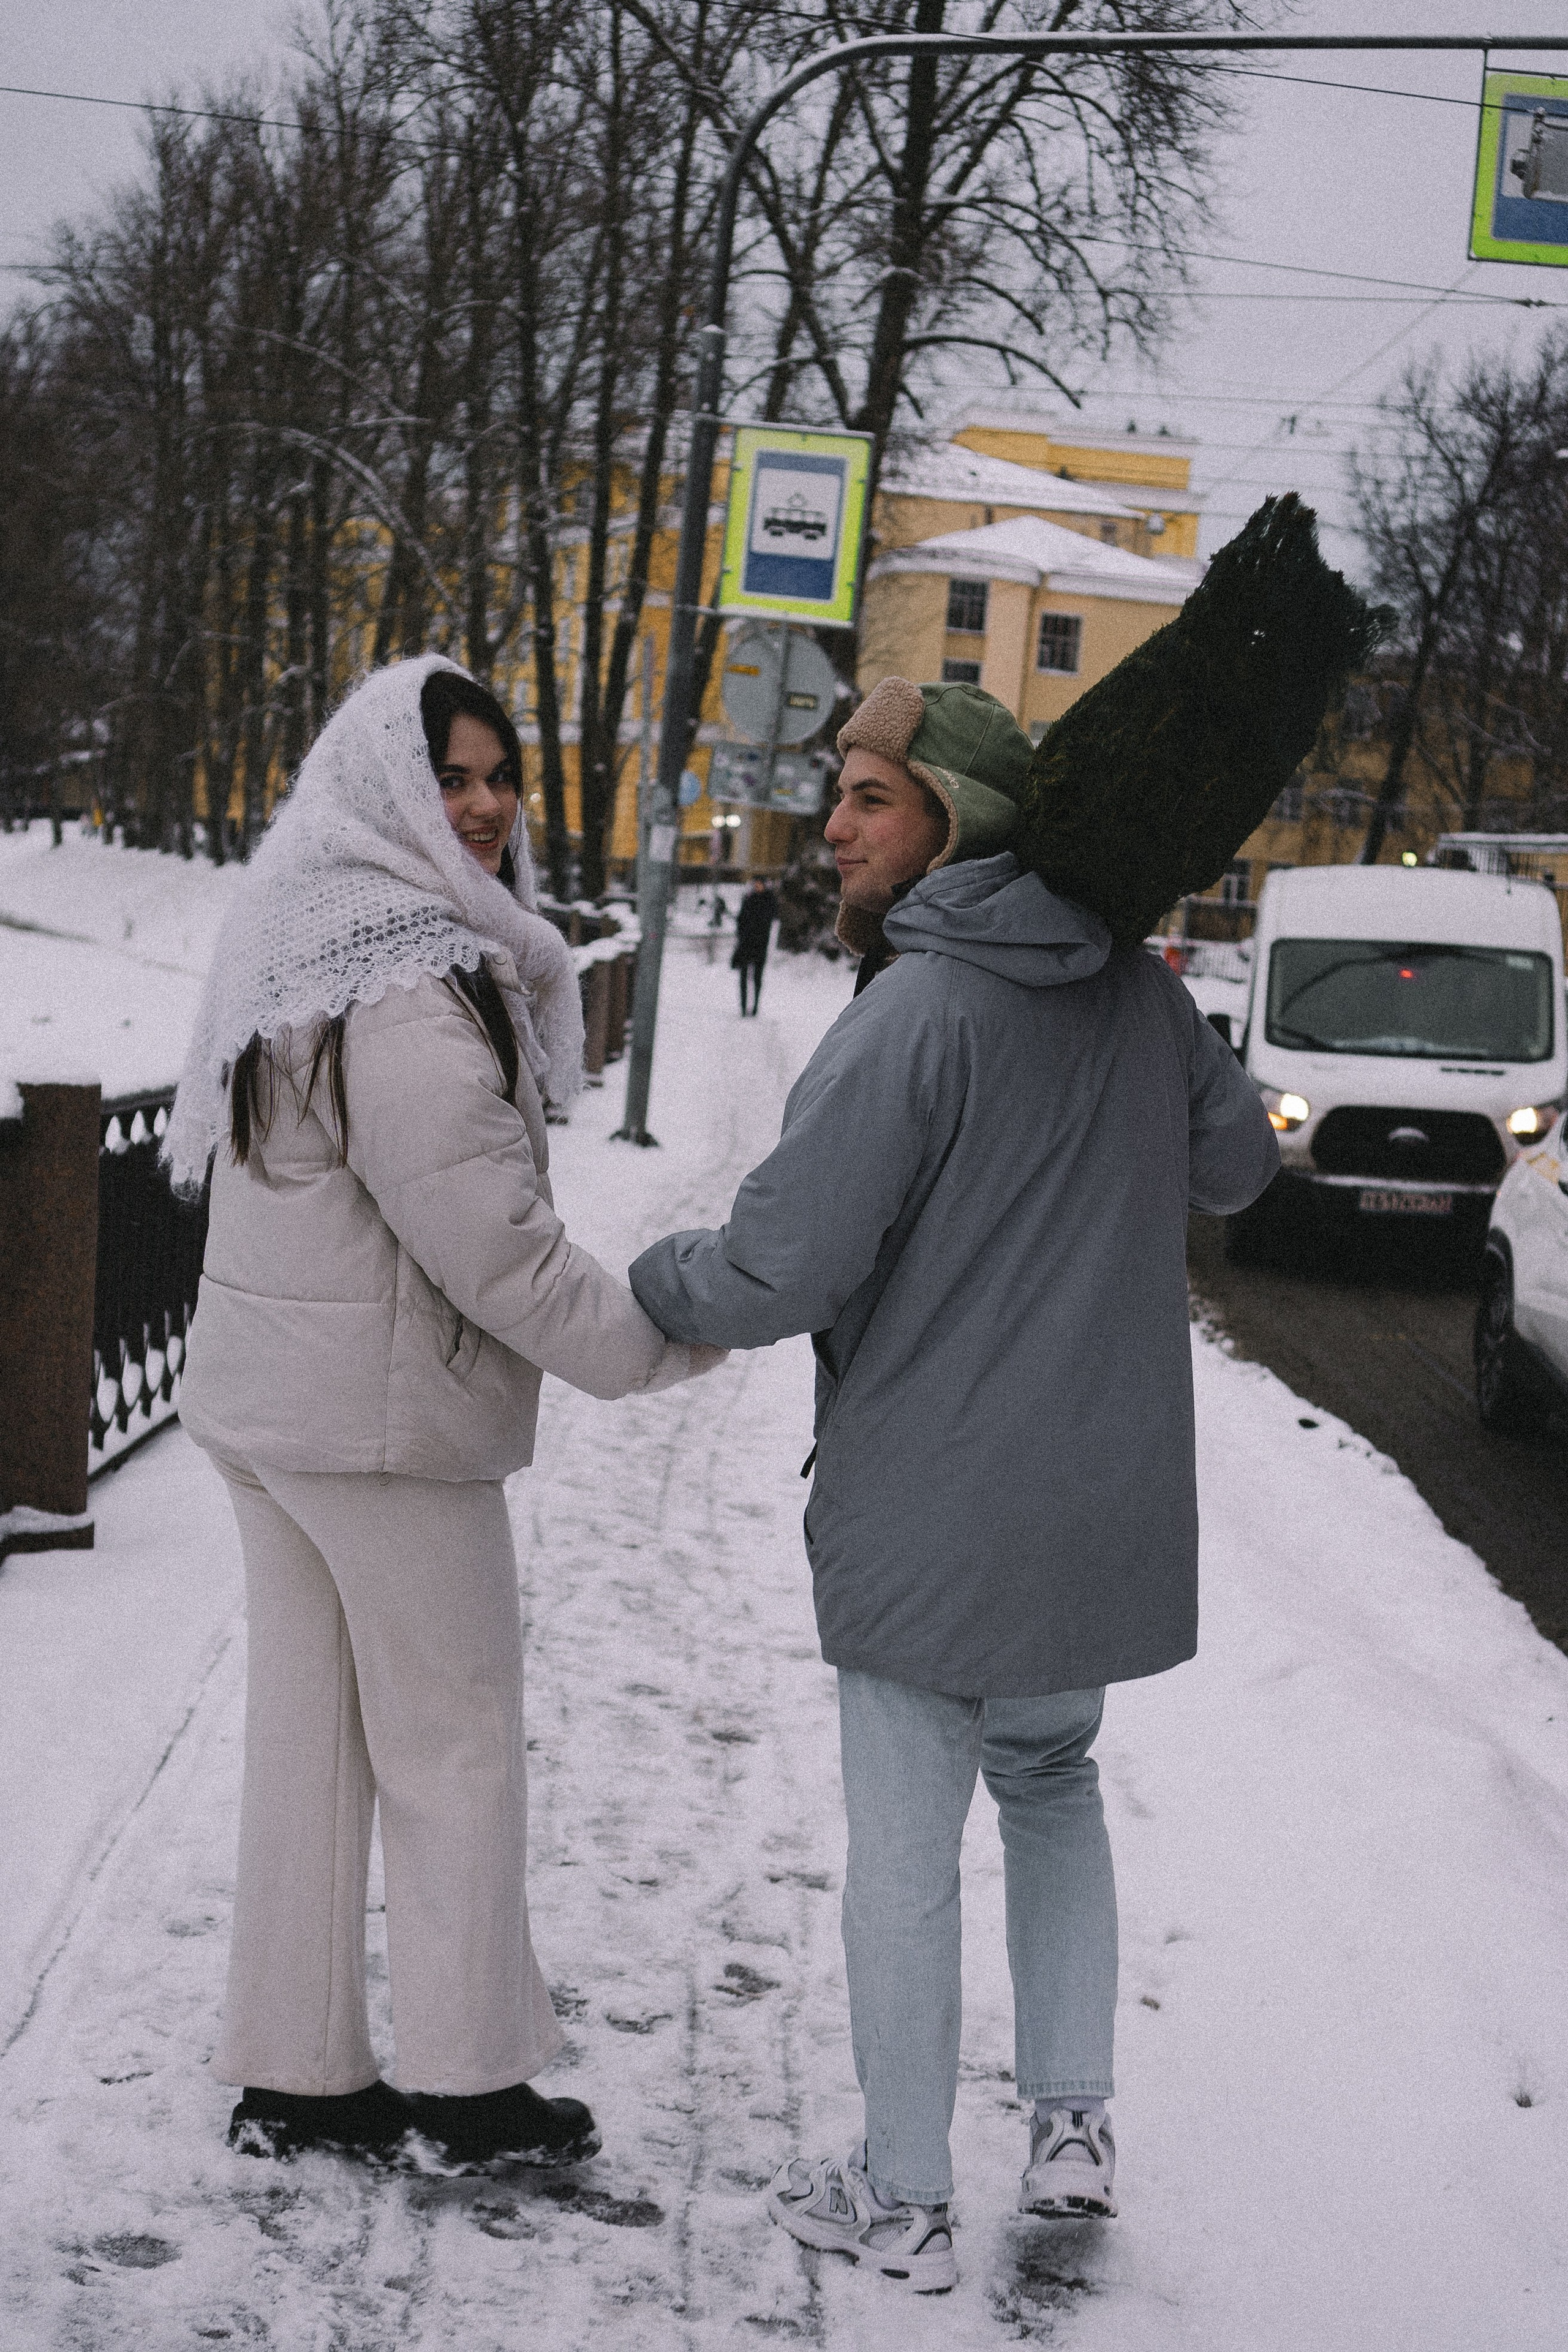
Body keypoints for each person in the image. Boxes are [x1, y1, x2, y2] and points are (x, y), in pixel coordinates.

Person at [628, 678, 1278, 2293]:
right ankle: (1071, 2131)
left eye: (868, 796)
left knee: (904, 1853)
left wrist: (649, 1277)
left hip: (931, 1509)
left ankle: (904, 2192)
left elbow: (776, 1269)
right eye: (838, 795)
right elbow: (1239, 1168)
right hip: (1095, 1514)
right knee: (1053, 1784)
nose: (834, 826)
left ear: (955, 822)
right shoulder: (1134, 992)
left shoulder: (914, 1012)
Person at [165, 655, 722, 2174]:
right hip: (381, 1424)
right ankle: (472, 2085)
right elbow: (494, 1250)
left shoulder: (297, 929)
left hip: (277, 1407)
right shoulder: (405, 976)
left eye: (496, 777)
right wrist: (659, 1344)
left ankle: (298, 2071)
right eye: (451, 778)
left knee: (312, 1739)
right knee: (455, 1737)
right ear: (389, 788)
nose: (481, 808)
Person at [731, 874, 778, 1015]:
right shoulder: (748, 899)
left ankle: (755, 1007)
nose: (757, 887)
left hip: (760, 945)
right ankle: (744, 1007)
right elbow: (741, 920)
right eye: (755, 884)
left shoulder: (769, 901)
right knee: (744, 978)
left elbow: (771, 920)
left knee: (757, 978)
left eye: (759, 884)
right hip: (746, 944)